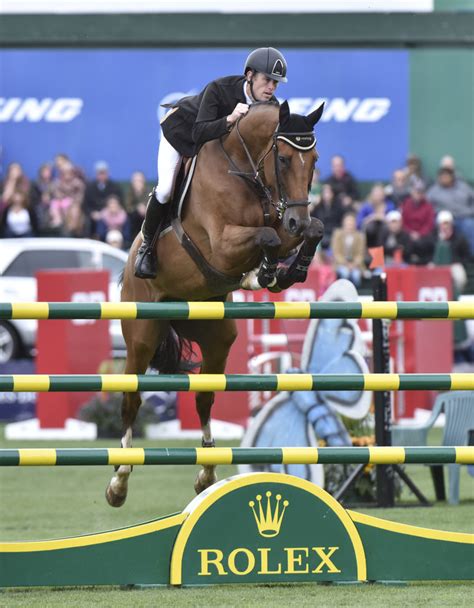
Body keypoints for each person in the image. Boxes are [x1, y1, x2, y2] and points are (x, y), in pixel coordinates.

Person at [134, 47, 288, 279]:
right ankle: (146, 248)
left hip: (214, 149)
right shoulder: (220, 89)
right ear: (249, 75)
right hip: (181, 133)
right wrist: (229, 119)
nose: (271, 88)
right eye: (267, 80)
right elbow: (198, 132)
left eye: (276, 83)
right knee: (166, 189)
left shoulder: (270, 106)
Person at [427, 167, 474, 257]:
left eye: (446, 176)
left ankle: (471, 257)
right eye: (442, 176)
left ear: (452, 177)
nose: (444, 178)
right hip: (445, 217)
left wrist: (471, 211)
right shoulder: (434, 190)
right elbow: (427, 204)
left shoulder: (463, 186)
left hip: (463, 217)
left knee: (470, 225)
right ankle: (437, 257)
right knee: (435, 224)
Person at [83, 161, 123, 237]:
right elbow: (85, 205)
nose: (102, 175)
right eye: (99, 173)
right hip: (93, 215)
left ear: (107, 173)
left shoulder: (115, 187)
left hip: (110, 214)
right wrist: (92, 213)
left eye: (103, 173)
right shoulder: (90, 187)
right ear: (96, 174)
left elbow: (120, 203)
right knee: (88, 222)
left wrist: (106, 212)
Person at [330, 212, 365, 287]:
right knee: (345, 273)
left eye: (351, 224)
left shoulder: (360, 236)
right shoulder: (337, 234)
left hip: (355, 265)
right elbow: (336, 253)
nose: (349, 226)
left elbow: (360, 254)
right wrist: (346, 264)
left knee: (356, 275)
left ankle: (356, 294)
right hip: (340, 264)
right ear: (344, 224)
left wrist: (353, 265)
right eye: (348, 224)